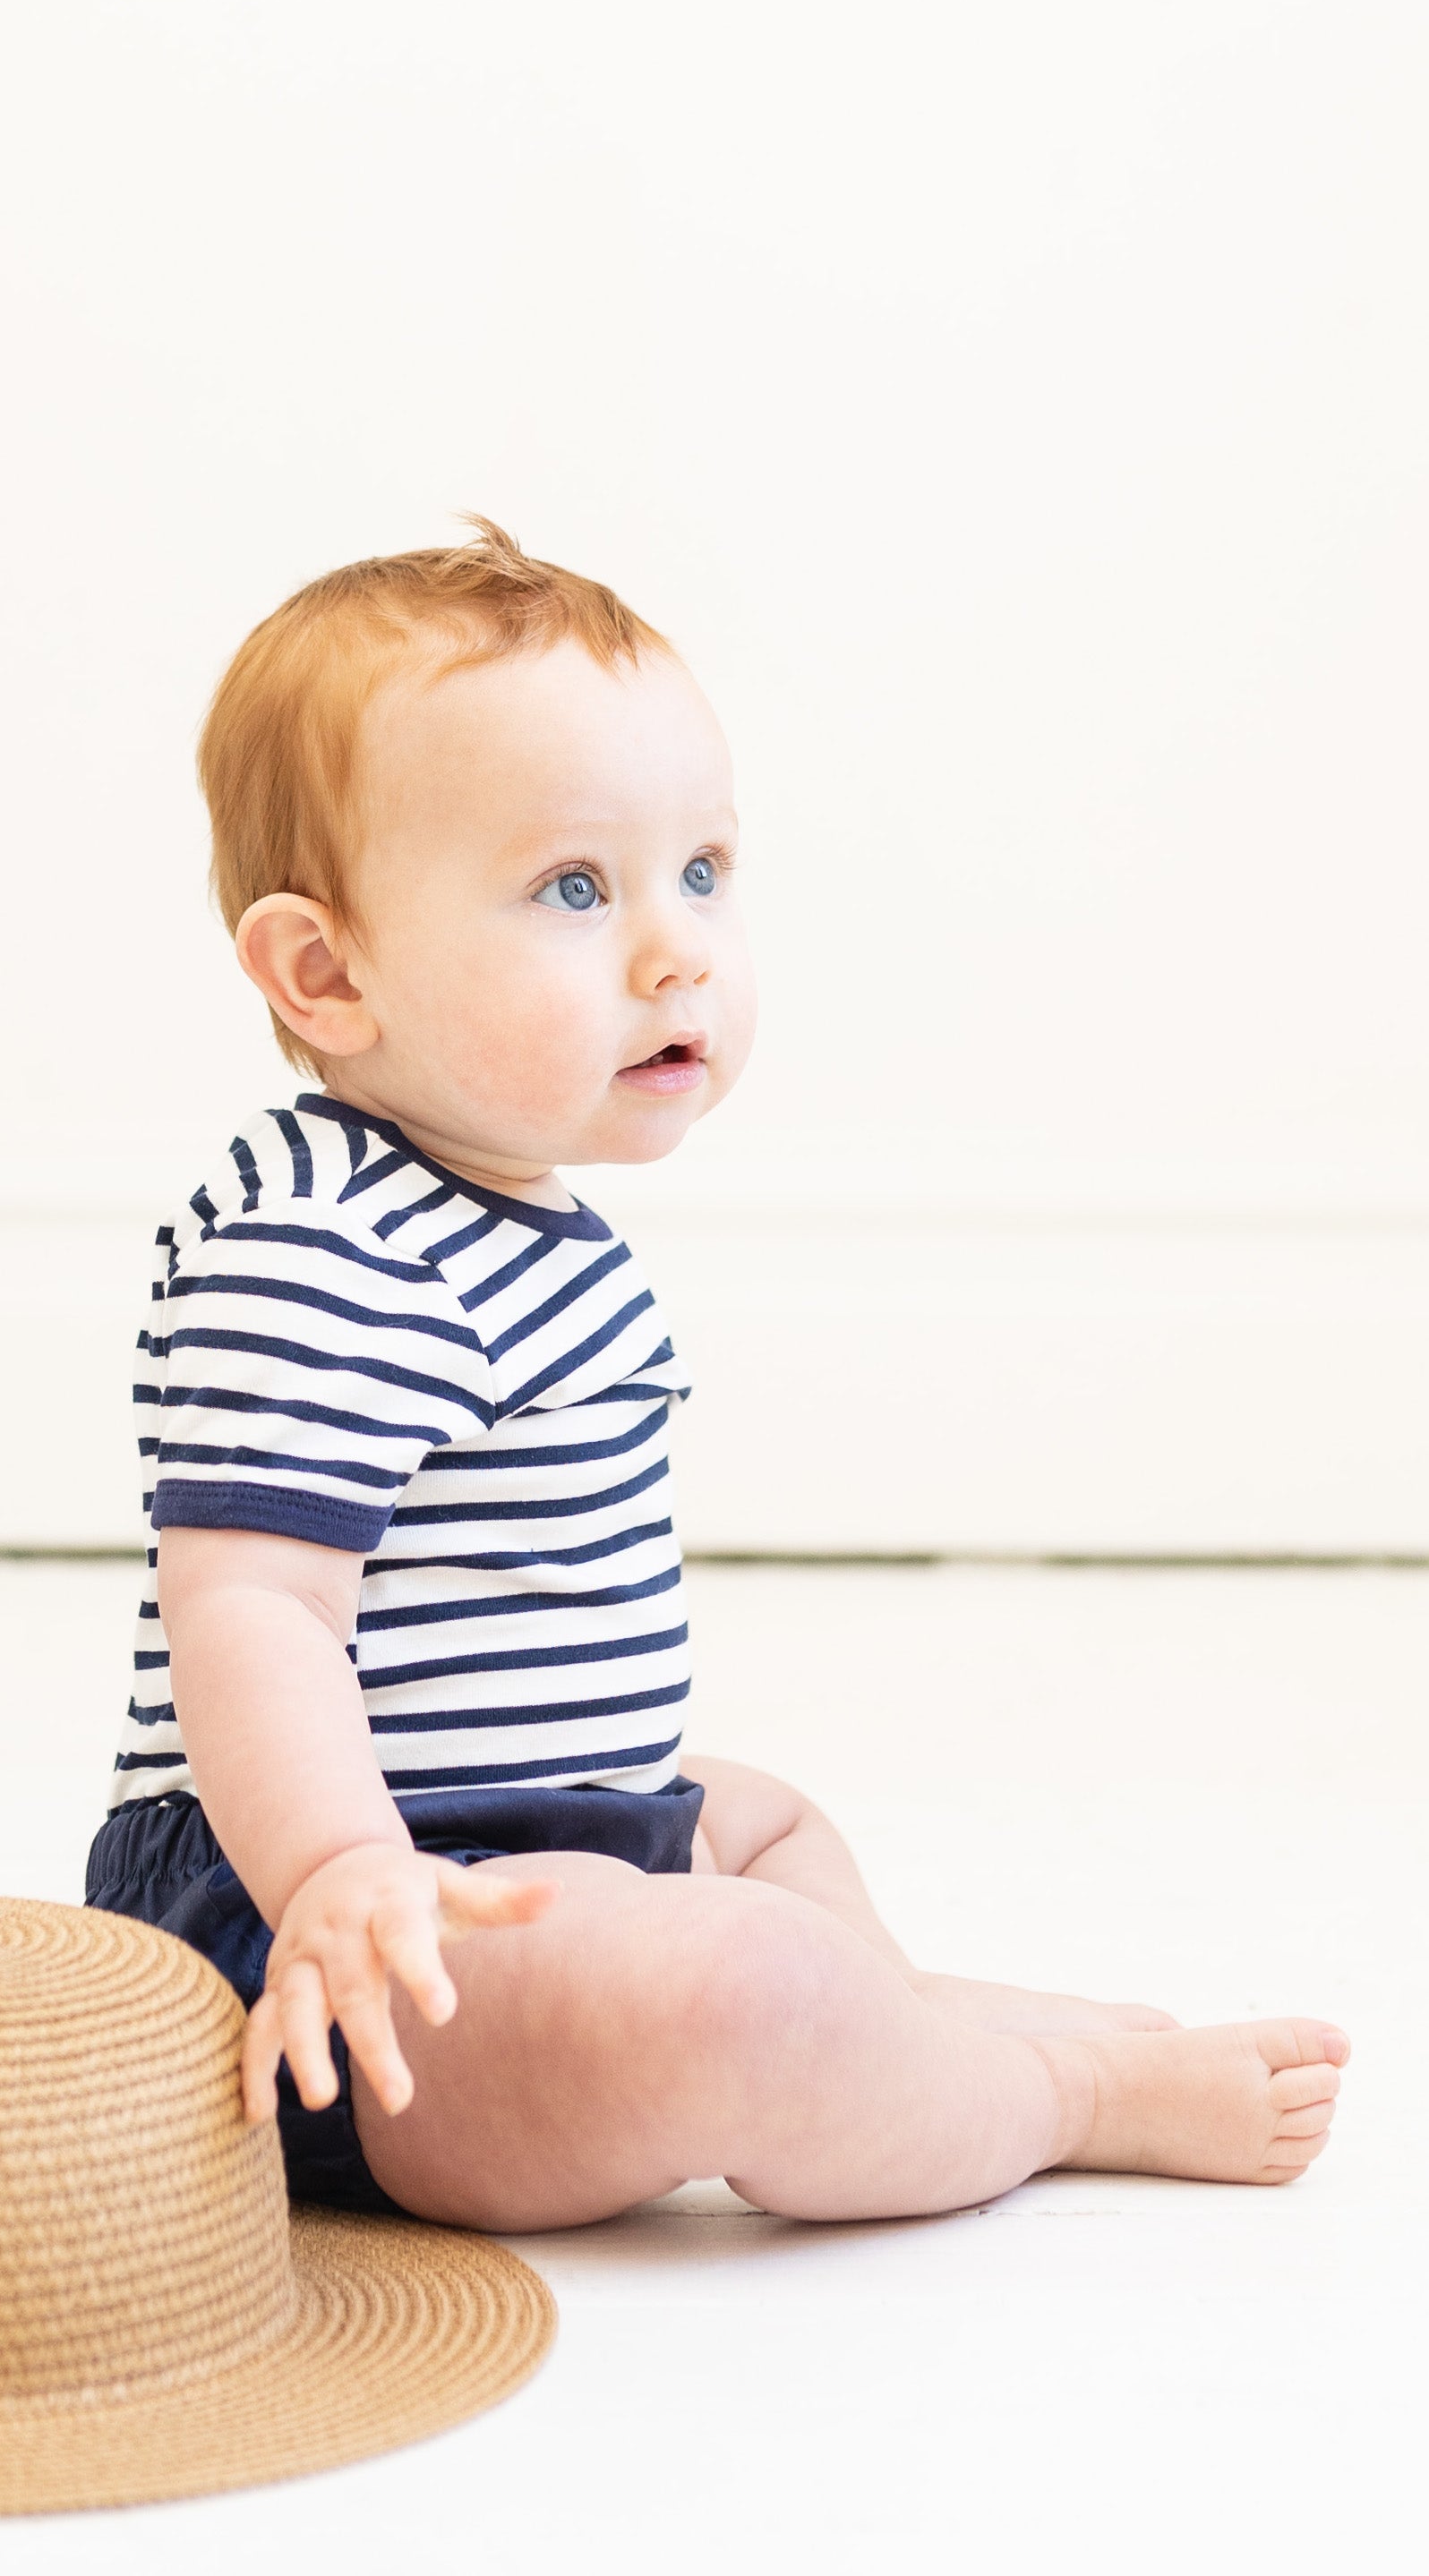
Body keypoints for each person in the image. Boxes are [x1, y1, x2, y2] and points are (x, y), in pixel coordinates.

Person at [84, 522, 1348, 2228]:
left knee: (760, 1830)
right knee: (742, 1986)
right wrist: (342, 1877)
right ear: (330, 973)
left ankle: (892, 2036)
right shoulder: (317, 1239)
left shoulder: (528, 1223)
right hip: (342, 1941)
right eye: (575, 890)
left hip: (553, 1849)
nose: (675, 948)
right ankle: (1043, 2092)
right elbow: (255, 1613)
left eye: (704, 871)